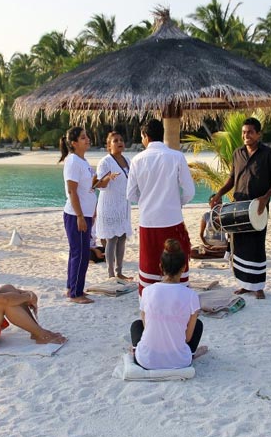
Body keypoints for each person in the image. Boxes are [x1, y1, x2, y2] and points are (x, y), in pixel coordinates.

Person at [210, 117, 271, 299]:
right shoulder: (237, 153)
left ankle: (258, 286)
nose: (246, 135)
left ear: (258, 134)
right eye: (244, 132)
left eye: (250, 132)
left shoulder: (269, 154)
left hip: (258, 208)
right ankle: (244, 284)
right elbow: (232, 179)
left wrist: (265, 198)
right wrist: (219, 194)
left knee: (257, 246)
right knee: (240, 246)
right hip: (239, 206)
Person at [127, 119, 195, 293]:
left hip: (148, 220)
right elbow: (189, 191)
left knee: (150, 264)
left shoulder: (137, 160)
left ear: (145, 136)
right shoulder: (176, 156)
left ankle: (149, 298)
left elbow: (131, 194)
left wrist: (146, 202)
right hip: (172, 219)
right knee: (176, 261)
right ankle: (178, 294)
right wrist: (176, 203)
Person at [130, 239, 206, 369]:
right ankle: (192, 354)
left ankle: (135, 349)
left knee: (136, 325)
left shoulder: (147, 291)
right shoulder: (191, 295)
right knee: (197, 325)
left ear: (161, 266)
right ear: (183, 267)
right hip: (179, 361)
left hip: (146, 360)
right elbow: (187, 338)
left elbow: (146, 325)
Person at [60, 126, 115, 304]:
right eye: (83, 138)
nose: (87, 139)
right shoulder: (73, 162)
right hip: (76, 215)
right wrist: (80, 216)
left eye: (87, 136)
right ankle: (76, 293)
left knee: (78, 252)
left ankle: (72, 288)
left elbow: (90, 186)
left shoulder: (82, 161)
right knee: (81, 254)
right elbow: (72, 191)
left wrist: (104, 180)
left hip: (84, 214)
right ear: (74, 143)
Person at [95, 131, 133, 281]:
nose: (119, 142)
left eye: (121, 140)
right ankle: (110, 274)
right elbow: (99, 184)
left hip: (123, 204)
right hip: (109, 204)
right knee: (112, 238)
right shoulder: (105, 162)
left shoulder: (128, 160)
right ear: (109, 145)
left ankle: (119, 271)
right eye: (115, 140)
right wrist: (107, 178)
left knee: (122, 237)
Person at [191, 194, 228, 259]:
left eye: (220, 201)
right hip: (208, 246)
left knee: (228, 251)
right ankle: (214, 254)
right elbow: (201, 234)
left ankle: (210, 255)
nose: (218, 203)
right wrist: (206, 244)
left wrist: (227, 245)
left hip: (221, 246)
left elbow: (230, 234)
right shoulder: (206, 215)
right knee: (192, 251)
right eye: (215, 201)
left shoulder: (225, 216)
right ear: (210, 204)